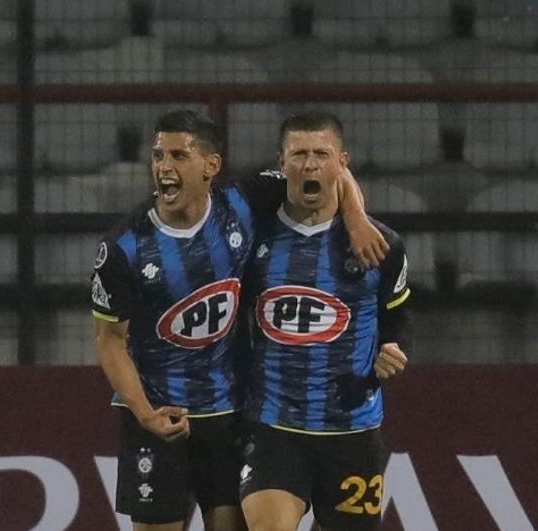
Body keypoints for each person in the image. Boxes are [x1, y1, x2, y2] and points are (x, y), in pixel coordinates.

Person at [92, 109, 386, 531]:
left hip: (229, 413)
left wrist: (356, 219)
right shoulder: (123, 248)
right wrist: (144, 412)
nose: (164, 167)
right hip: (159, 414)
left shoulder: (243, 203)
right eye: (158, 156)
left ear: (211, 166)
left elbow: (324, 168)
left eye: (178, 156)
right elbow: (108, 339)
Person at [238, 112, 411, 531]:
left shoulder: (381, 246)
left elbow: (395, 320)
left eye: (321, 154)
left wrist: (391, 350)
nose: (310, 164)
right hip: (274, 425)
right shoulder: (252, 235)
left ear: (342, 162)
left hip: (350, 430)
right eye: (299, 154)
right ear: (281, 163)